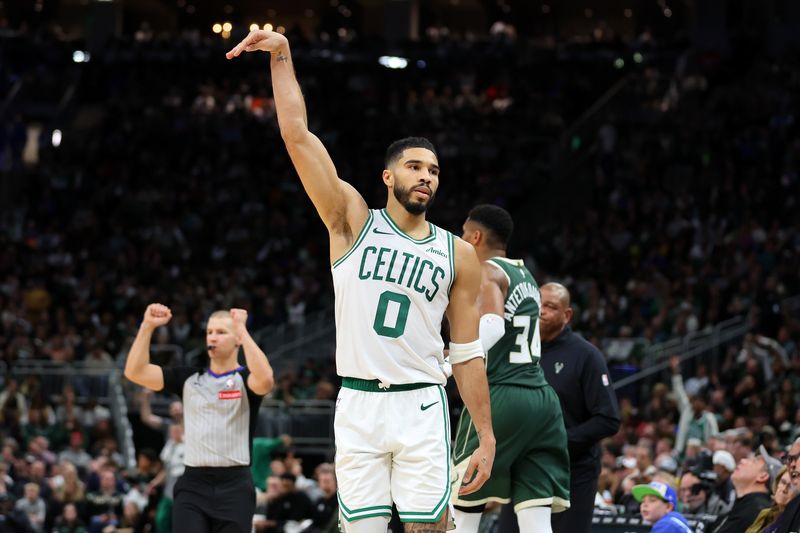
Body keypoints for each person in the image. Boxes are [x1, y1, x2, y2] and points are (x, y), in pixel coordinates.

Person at [226, 30, 496, 533]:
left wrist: (484, 433)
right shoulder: (350, 220)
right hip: (358, 401)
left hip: (421, 401)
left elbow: (466, 351)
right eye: (414, 167)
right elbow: (297, 136)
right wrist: (282, 53)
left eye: (434, 170)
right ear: (388, 177)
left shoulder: (458, 253)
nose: (427, 177)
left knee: (431, 530)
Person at [452, 205, 570, 533]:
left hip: (502, 395)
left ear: (476, 236)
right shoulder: (527, 276)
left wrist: (450, 362)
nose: (461, 239)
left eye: (464, 233)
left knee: (462, 505)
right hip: (542, 402)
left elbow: (492, 327)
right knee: (535, 518)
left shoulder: (487, 270)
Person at [124, 305, 274, 533]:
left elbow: (266, 379)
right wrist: (147, 326)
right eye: (210, 332)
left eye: (221, 332)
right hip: (193, 484)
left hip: (235, 486)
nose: (213, 337)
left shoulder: (245, 380)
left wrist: (242, 329)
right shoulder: (189, 378)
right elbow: (135, 371)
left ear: (237, 339)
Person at [503, 282, 620, 533]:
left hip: (572, 472)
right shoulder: (520, 350)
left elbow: (608, 419)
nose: (541, 311)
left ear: (567, 315)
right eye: (537, 305)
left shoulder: (586, 355)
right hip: (524, 466)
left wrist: (557, 441)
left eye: (550, 306)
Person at [710, 446, 780, 533]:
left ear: (762, 476)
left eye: (754, 461)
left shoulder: (755, 512)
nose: (743, 461)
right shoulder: (746, 505)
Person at [744, 466, 798, 533]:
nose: (784, 489)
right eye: (783, 482)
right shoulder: (765, 514)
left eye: (791, 486)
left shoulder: (796, 523)